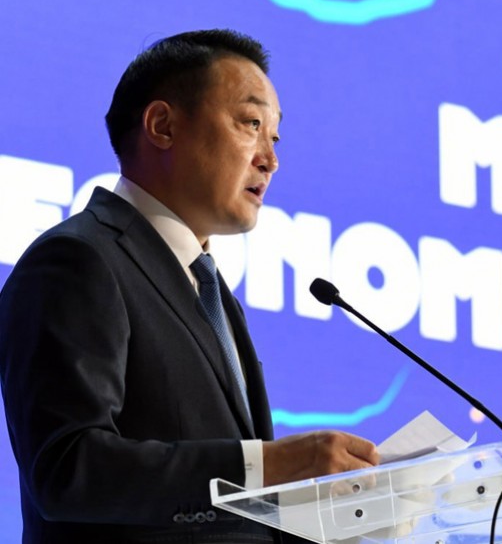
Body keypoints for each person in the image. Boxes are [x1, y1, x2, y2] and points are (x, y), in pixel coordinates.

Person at [0, 29, 379, 543]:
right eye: (251, 124)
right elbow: (69, 469)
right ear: (162, 125)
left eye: (274, 137)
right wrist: (268, 465)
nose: (270, 159)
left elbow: (233, 515)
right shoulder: (79, 260)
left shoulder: (213, 294)